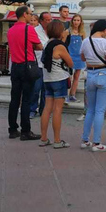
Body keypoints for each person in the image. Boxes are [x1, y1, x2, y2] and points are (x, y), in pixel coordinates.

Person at [7, 6, 43, 141]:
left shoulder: (10, 30)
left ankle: (12, 129)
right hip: (27, 67)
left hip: (15, 66)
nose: (31, 16)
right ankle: (25, 131)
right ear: (24, 14)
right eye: (30, 14)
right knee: (26, 99)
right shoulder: (29, 29)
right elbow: (39, 46)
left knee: (14, 99)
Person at [38, 20, 74, 149]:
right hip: (59, 79)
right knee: (57, 109)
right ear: (60, 31)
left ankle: (43, 138)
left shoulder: (48, 43)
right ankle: (57, 140)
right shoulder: (59, 46)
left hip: (47, 79)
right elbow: (70, 63)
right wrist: (64, 39)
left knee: (47, 108)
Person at [80, 19, 106, 152]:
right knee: (100, 110)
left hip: (90, 74)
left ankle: (85, 139)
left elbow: (83, 58)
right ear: (105, 30)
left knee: (90, 109)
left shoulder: (86, 41)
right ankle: (97, 142)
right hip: (103, 74)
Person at [30, 12, 51, 118]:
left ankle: (43, 110)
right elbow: (35, 45)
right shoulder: (35, 30)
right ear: (41, 21)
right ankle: (32, 109)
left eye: (50, 19)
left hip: (49, 65)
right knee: (35, 89)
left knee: (45, 90)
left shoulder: (52, 30)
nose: (49, 21)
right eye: (47, 20)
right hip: (38, 63)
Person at [67, 14, 85, 102]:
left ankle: (72, 94)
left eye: (78, 20)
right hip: (70, 55)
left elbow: (84, 44)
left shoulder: (82, 32)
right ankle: (67, 94)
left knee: (77, 76)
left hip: (79, 56)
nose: (76, 22)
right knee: (69, 76)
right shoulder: (68, 31)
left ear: (81, 22)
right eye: (75, 20)